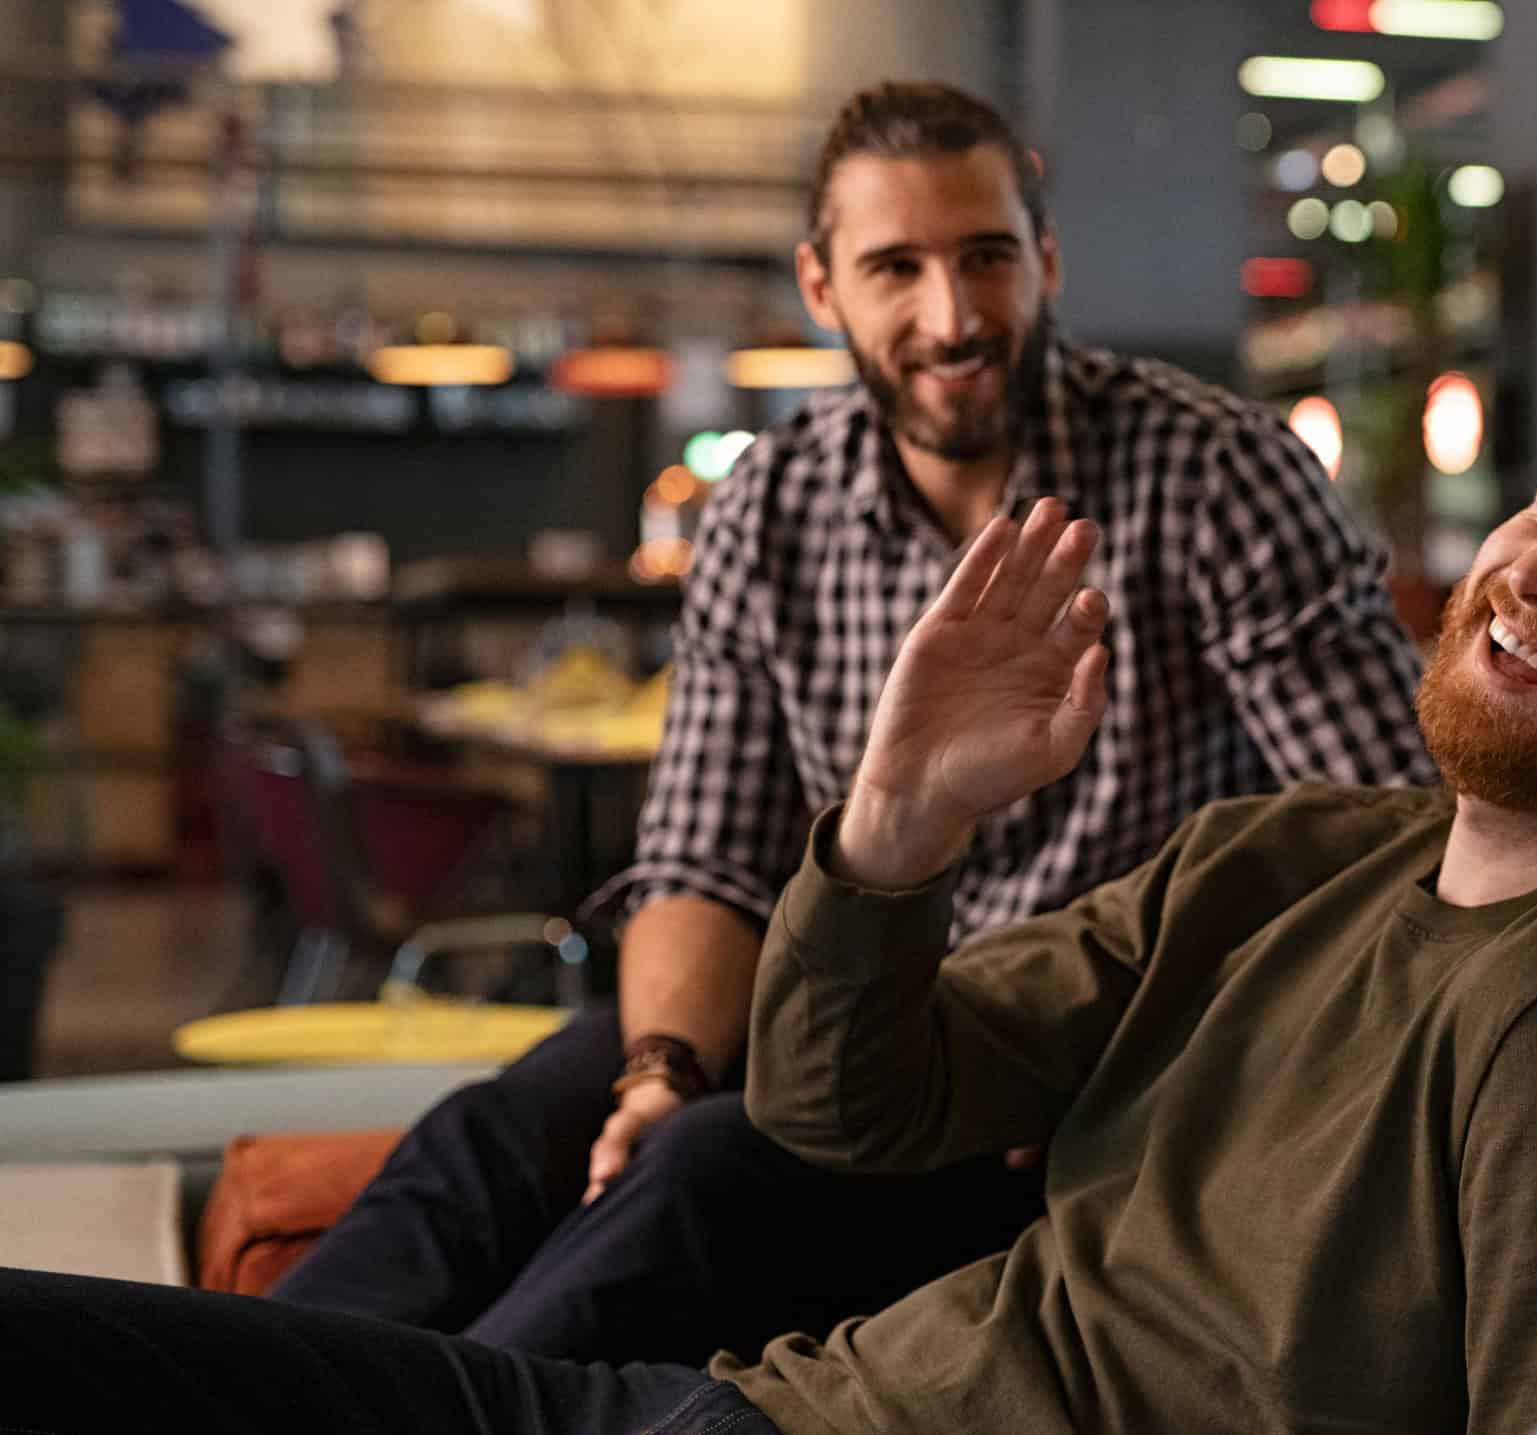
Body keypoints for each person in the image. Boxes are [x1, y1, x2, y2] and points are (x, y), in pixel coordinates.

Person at [0, 337, 1537, 1435]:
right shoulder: (1292, 858)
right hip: (772, 1407)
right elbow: (853, 1105)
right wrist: (893, 832)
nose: (1534, 569)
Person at [265, 81, 1440, 1363]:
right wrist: (660, 1064)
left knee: (701, 1182)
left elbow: (1388, 838)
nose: (953, 317)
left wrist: (1138, 1063)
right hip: (830, 1009)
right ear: (822, 289)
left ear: (1044, 260)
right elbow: (703, 861)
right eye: (897, 268)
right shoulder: (772, 503)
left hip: (1058, 1059)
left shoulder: (1216, 471)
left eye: (987, 257)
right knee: (491, 1140)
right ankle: (208, 1393)